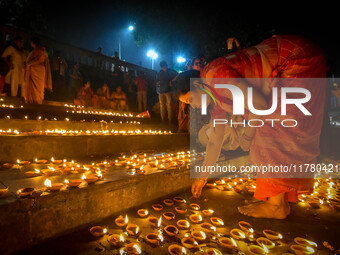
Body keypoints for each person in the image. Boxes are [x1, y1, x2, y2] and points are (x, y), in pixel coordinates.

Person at [181, 34, 327, 219]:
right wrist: (202, 176)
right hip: (288, 63)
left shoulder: (214, 77)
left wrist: (248, 137)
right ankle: (279, 199)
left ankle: (276, 206)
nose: (192, 106)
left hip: (294, 58)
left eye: (189, 99)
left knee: (272, 129)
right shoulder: (215, 99)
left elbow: (259, 105)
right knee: (266, 129)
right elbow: (215, 142)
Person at [24, 37, 52, 104]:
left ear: (33, 43)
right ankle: (31, 100)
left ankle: (37, 101)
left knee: (38, 87)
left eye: (31, 42)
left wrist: (29, 64)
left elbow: (40, 59)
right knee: (32, 86)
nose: (30, 44)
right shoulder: (35, 50)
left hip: (38, 70)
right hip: (33, 70)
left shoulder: (41, 50)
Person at [156, 60, 178, 125]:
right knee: (162, 106)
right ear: (161, 67)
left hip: (168, 91)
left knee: (169, 106)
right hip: (161, 91)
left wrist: (172, 81)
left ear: (166, 66)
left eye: (164, 67)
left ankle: (170, 121)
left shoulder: (171, 71)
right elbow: (157, 81)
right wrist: (158, 83)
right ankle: (163, 120)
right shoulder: (160, 72)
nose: (164, 68)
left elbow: (177, 75)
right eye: (162, 67)